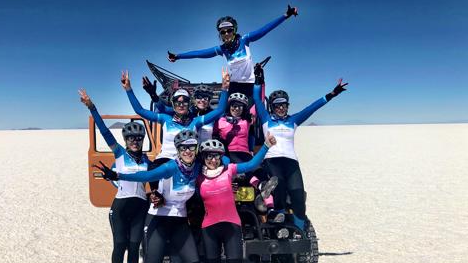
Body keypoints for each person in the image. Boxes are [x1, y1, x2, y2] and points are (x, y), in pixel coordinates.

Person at [95, 130, 205, 263]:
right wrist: (118, 175)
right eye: (183, 148)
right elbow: (145, 176)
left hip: (180, 223)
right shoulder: (170, 167)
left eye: (192, 147)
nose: (188, 151)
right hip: (158, 222)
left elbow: (222, 164)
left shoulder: (197, 168)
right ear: (178, 150)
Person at [197, 134, 276, 263]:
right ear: (204, 158)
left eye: (216, 155)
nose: (213, 159)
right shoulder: (197, 177)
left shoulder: (229, 170)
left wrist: (266, 145)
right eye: (209, 156)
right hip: (209, 228)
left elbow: (251, 164)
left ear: (221, 156)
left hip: (231, 226)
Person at [79, 89, 150, 263]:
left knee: (134, 246)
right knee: (120, 245)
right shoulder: (119, 153)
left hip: (140, 208)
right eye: (131, 138)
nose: (135, 141)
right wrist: (92, 107)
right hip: (120, 208)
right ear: (126, 140)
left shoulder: (147, 159)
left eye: (138, 138)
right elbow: (103, 131)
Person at [253, 78, 348, 230]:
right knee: (279, 184)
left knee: (298, 197)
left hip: (291, 162)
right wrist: (258, 81)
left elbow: (312, 108)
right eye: (277, 105)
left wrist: (332, 94)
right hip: (272, 160)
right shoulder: (266, 119)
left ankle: (299, 232)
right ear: (272, 106)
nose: (281, 108)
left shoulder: (293, 120)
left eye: (283, 105)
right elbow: (257, 99)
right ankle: (277, 213)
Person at [122, 69, 229, 191]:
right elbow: (140, 111)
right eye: (178, 102)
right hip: (165, 160)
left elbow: (219, 110)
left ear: (189, 104)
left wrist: (225, 88)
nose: (181, 104)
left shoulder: (196, 121)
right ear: (173, 104)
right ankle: (155, 195)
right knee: (152, 169)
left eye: (185, 102)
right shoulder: (165, 119)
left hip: (188, 162)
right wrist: (128, 89)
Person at [167, 5, 298, 99]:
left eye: (229, 30)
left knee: (249, 120)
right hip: (234, 86)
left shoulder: (245, 40)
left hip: (251, 86)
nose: (226, 34)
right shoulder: (222, 49)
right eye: (222, 32)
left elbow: (265, 29)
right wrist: (178, 56)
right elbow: (198, 53)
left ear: (234, 30)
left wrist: (285, 16)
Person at [214, 92, 280, 220]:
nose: (236, 108)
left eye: (240, 106)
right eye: (234, 105)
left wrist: (258, 80)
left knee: (261, 173)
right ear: (229, 106)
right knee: (248, 169)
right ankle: (260, 187)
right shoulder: (220, 121)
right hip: (230, 154)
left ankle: (270, 209)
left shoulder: (247, 120)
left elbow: (257, 101)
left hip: (246, 154)